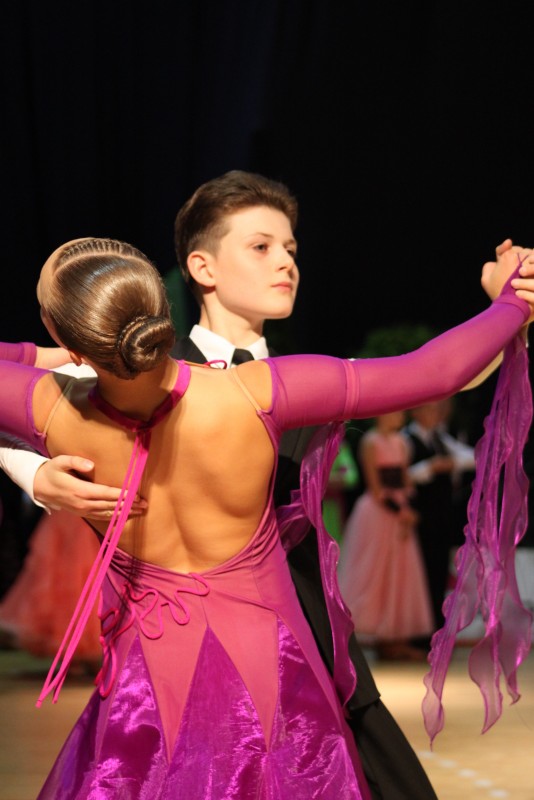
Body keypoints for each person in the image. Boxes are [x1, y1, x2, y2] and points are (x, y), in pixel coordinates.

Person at [0, 176, 533, 794]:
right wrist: (510, 304)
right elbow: (433, 371)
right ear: (188, 276)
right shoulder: (264, 392)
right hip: (275, 672)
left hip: (201, 676)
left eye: (291, 248)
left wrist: (63, 359)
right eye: (261, 246)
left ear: (64, 332)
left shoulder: (57, 401)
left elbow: (440, 375)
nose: (285, 262)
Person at [338, 411, 432, 661]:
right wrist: (399, 510)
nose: (399, 416)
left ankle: (395, 639)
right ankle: (376, 637)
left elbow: (405, 480)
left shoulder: (402, 442)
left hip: (399, 511)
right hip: (379, 513)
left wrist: (408, 507)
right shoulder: (370, 441)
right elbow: (376, 487)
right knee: (374, 570)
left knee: (400, 573)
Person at [402, 399, 475, 639]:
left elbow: (469, 457)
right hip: (419, 519)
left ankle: (436, 630)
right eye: (430, 409)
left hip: (442, 518)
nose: (436, 414)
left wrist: (451, 463)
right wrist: (430, 468)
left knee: (439, 572)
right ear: (416, 411)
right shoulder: (405, 439)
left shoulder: (439, 438)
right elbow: (401, 475)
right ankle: (420, 633)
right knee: (421, 574)